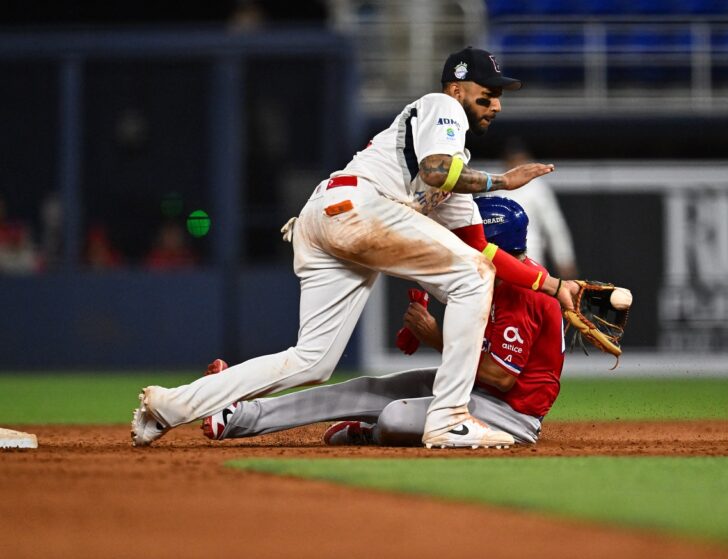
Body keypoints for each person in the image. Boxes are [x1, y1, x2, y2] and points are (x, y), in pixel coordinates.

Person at [132, 46, 576, 449]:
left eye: (500, 95)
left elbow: (482, 254)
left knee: (313, 361)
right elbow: (438, 171)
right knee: (471, 279)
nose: (496, 103)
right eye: (487, 92)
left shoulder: (459, 180)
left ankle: (169, 406)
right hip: (355, 207)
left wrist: (554, 287)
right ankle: (449, 416)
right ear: (457, 88)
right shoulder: (443, 107)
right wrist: (504, 181)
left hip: (328, 219)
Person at [200, 196, 564, 446]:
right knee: (364, 388)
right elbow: (428, 276)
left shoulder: (523, 292)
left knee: (393, 418)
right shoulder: (488, 277)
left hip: (507, 414)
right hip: (471, 389)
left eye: (472, 237)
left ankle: (369, 433)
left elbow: (501, 377)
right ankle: (238, 416)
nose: (462, 243)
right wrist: (422, 304)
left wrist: (437, 337)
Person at [489, 139, 578, 279]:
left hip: (531, 257)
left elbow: (554, 226)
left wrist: (564, 258)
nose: (516, 164)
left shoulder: (537, 188)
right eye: (512, 160)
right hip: (499, 260)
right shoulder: (494, 186)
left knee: (531, 297)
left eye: (520, 160)